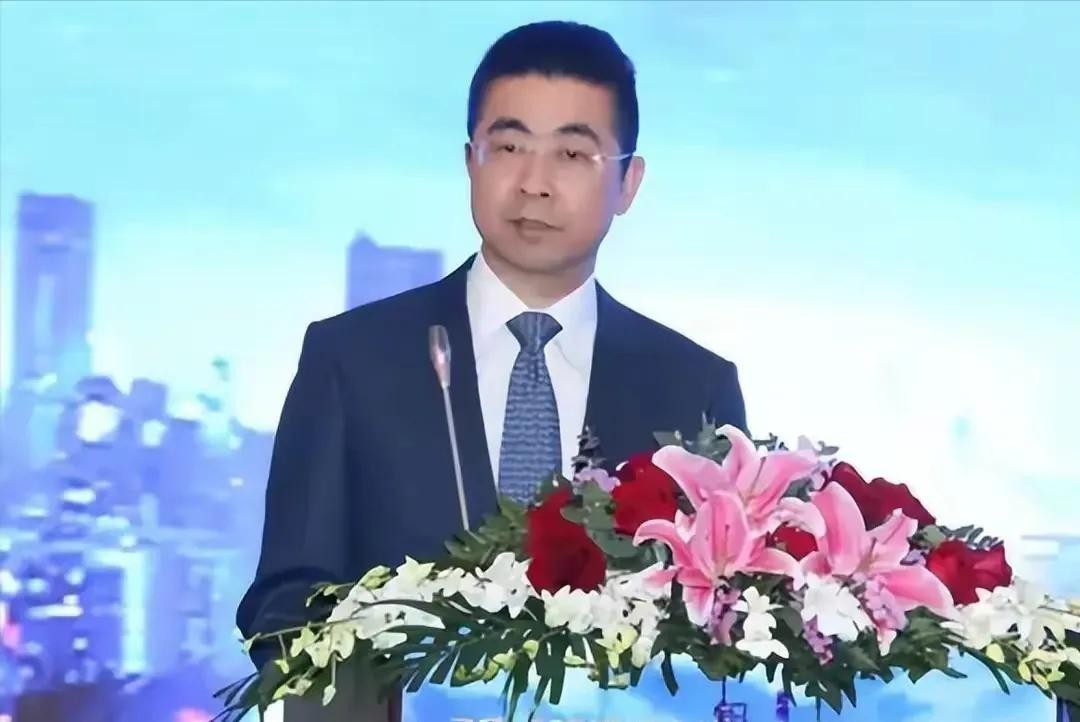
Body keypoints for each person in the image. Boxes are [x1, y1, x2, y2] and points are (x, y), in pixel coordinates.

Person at [237, 20, 747, 720]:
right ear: (470, 162)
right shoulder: (352, 360)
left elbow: (724, 620)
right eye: (508, 147)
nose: (534, 184)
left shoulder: (693, 387)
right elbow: (285, 602)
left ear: (628, 183)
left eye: (573, 153)